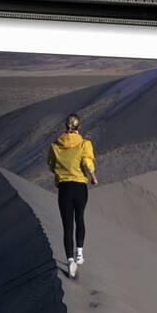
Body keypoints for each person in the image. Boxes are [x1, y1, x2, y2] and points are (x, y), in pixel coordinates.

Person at [47, 113, 98, 278]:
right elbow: (87, 162)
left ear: (65, 127)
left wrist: (62, 171)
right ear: (79, 127)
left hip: (64, 188)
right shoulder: (85, 144)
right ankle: (79, 253)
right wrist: (93, 176)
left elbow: (51, 165)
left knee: (67, 225)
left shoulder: (55, 146)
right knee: (80, 218)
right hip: (80, 187)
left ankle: (70, 261)